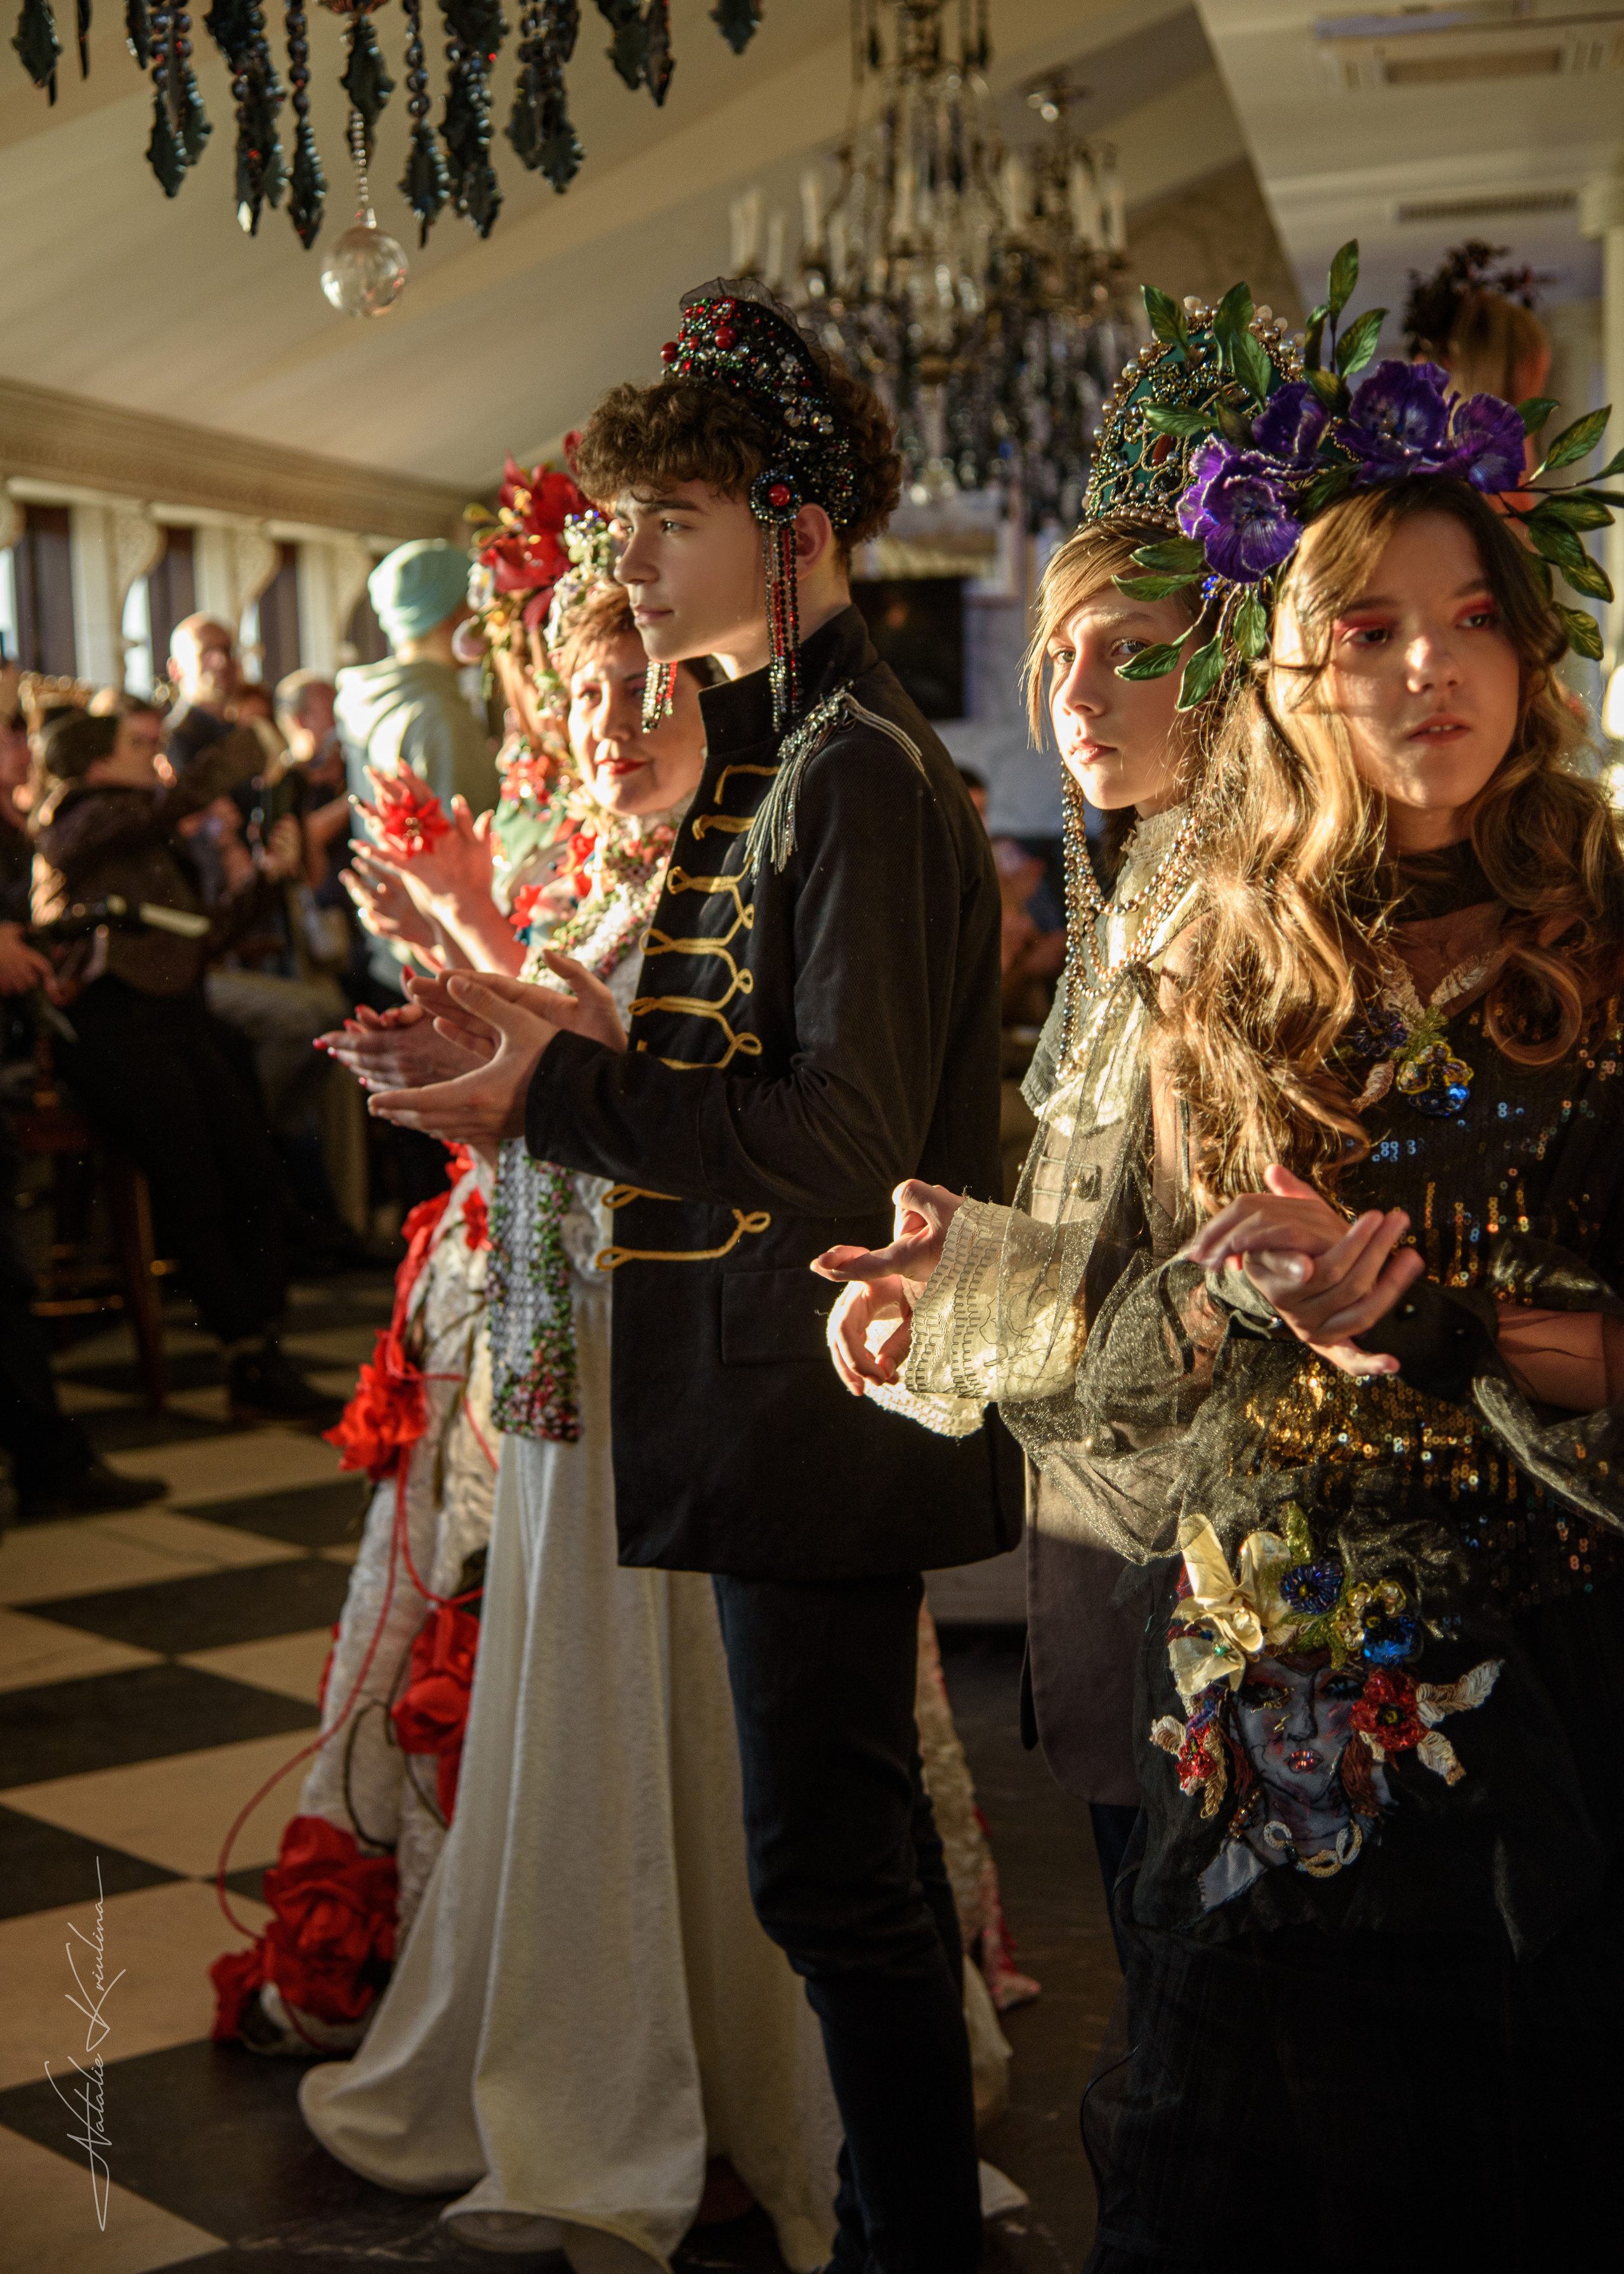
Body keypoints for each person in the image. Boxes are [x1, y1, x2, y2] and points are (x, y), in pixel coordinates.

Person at [362, 280, 1015, 2274]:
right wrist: (554, 1054)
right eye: (622, 519)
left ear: (789, 529)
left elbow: (836, 1143)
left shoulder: (855, 770)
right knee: (841, 1859)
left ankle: (910, 2245)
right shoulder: (786, 748)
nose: (625, 558)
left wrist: (550, 1093)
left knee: (829, 1872)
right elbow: (741, 1065)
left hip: (813, 1396)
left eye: (668, 518)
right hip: (766, 1391)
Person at [809, 292, 1287, 1954]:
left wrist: (970, 1304)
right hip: (1099, 1511)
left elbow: (1217, 1285)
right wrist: (957, 1259)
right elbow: (1102, 1219)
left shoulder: (1247, 918)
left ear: (1228, 666)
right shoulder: (1140, 878)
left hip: (1210, 1544)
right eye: (1058, 652)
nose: (1075, 691)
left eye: (1128, 649)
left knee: (1203, 1970)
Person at [29, 707, 338, 1422]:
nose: (156, 756)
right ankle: (245, 1352)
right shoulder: (77, 821)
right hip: (113, 1030)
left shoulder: (145, 834)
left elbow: (204, 935)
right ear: (97, 765)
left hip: (177, 1021)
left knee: (253, 1167)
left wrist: (269, 878)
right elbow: (168, 806)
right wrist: (249, 748)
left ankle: (262, 1346)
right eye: (139, 745)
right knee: (193, 1181)